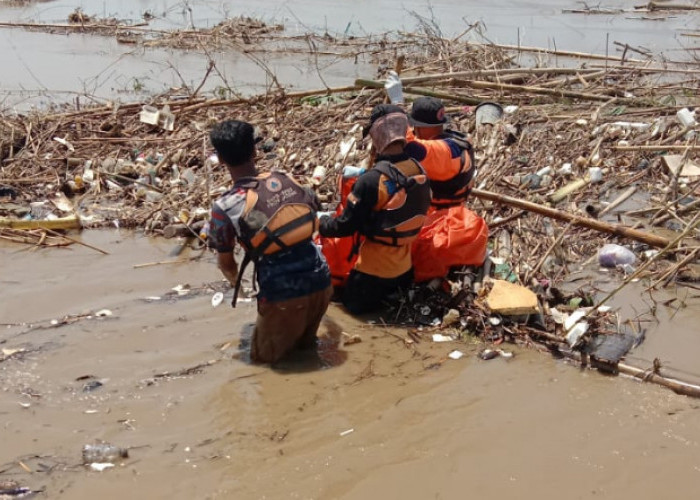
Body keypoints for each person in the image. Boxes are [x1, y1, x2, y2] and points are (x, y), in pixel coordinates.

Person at [208, 120, 332, 364]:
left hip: (283, 295)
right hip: (321, 281)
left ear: (221, 160)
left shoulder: (225, 206)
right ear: (254, 152)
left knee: (265, 365)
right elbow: (315, 207)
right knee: (306, 351)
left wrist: (241, 289)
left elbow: (226, 263)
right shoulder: (284, 179)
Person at [319, 104, 431, 314]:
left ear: (376, 137)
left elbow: (345, 226)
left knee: (348, 314)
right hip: (404, 272)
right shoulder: (418, 168)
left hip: (372, 275)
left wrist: (320, 223)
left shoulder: (371, 181)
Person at [404, 96, 489, 282]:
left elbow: (409, 147)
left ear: (421, 127)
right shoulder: (455, 141)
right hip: (459, 217)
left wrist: (396, 109)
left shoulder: (440, 152)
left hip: (440, 223)